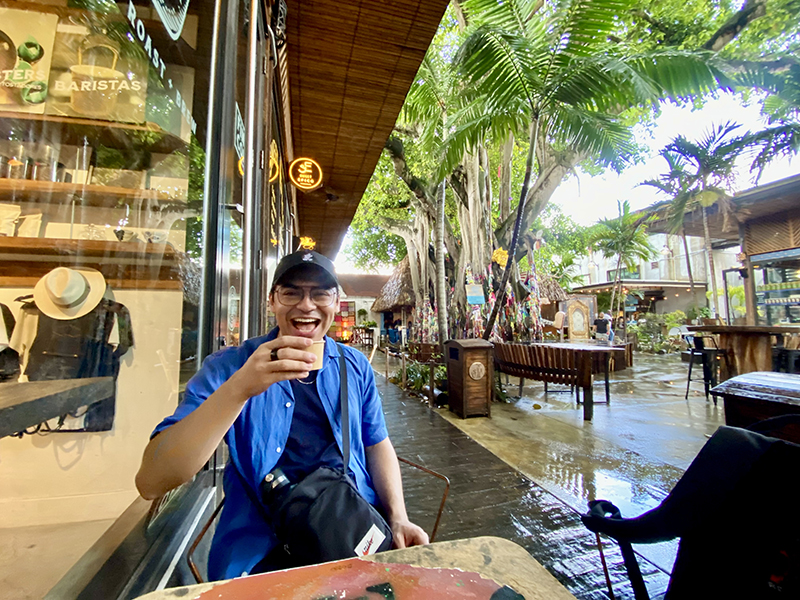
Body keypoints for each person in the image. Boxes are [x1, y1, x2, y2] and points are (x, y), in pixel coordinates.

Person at [135, 250, 428, 580]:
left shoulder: (353, 365)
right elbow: (151, 480)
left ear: (335, 303)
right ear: (272, 300)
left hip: (353, 530)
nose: (306, 305)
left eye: (320, 293)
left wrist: (398, 516)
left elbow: (377, 444)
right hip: (263, 551)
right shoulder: (231, 367)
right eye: (292, 292)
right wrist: (240, 388)